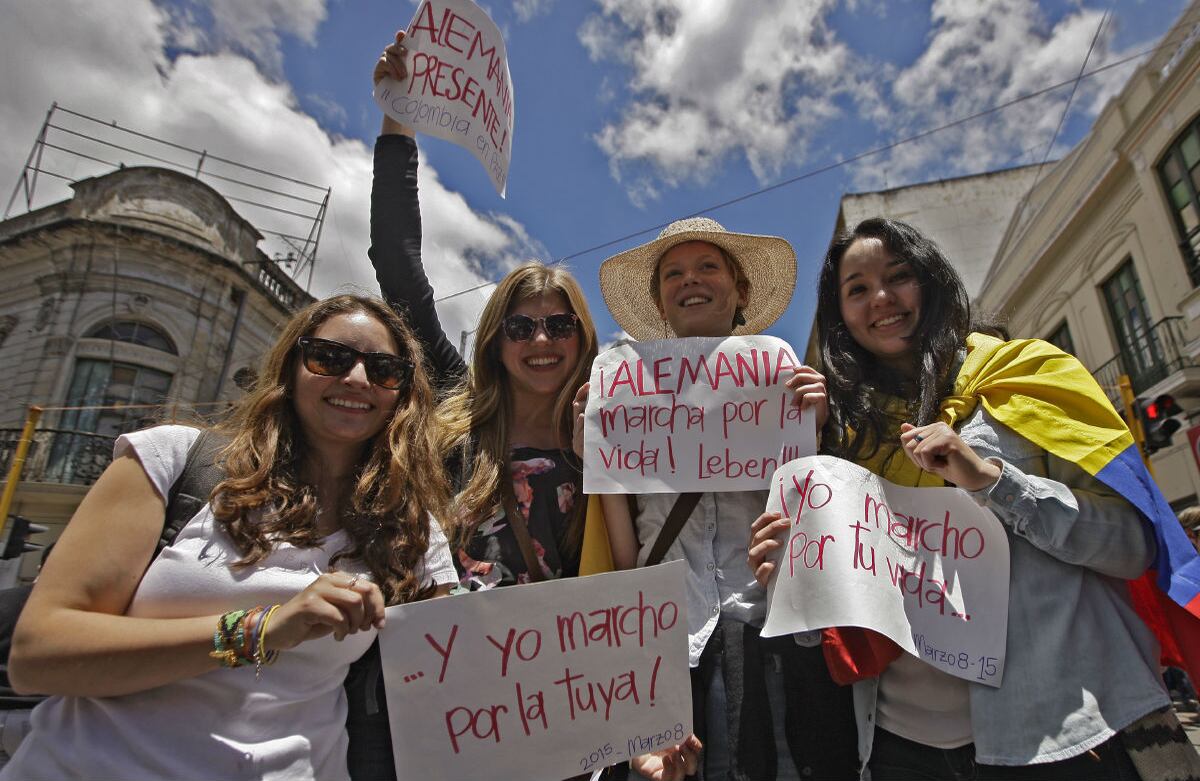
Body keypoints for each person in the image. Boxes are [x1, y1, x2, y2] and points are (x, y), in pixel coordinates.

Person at [748, 217, 1200, 780]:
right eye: (857, 289)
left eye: (898, 276)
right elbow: (850, 615)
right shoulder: (841, 439)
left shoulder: (1026, 374)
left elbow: (1133, 545)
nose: (881, 299)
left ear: (932, 281)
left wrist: (992, 481)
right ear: (840, 316)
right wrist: (797, 581)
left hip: (1062, 734)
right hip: (899, 747)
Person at [0, 294, 458, 780]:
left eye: (384, 369)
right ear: (290, 368)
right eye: (330, 358)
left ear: (403, 394)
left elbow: (443, 683)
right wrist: (260, 630)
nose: (356, 379)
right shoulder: (170, 460)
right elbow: (38, 657)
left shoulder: (415, 533)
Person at [349, 31, 620, 781]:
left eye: (559, 324)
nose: (541, 339)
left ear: (582, 337)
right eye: (521, 324)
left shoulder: (613, 437)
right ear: (496, 340)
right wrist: (397, 119)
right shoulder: (456, 409)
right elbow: (398, 264)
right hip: (424, 702)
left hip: (549, 708)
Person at [590, 217, 858, 780]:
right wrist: (592, 449)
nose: (691, 280)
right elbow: (625, 552)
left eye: (708, 266)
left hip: (770, 637)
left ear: (739, 290)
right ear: (660, 301)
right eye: (673, 274)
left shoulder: (781, 376)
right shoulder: (622, 384)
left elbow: (815, 517)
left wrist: (818, 427)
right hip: (666, 647)